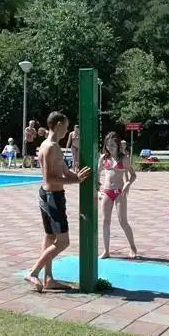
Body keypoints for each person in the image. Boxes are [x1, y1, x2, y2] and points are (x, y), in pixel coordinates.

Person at [24, 112, 91, 293]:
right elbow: (50, 179)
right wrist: (75, 181)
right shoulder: (50, 147)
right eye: (67, 126)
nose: (68, 130)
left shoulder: (54, 147)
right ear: (59, 124)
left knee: (50, 237)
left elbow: (63, 170)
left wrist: (78, 177)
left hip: (52, 196)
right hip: (52, 197)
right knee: (63, 242)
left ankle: (49, 278)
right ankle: (33, 272)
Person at [98, 132, 138, 259]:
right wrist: (98, 190)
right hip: (107, 191)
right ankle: (106, 250)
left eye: (112, 145)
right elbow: (97, 174)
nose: (110, 148)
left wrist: (127, 184)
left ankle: (133, 247)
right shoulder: (104, 158)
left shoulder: (124, 159)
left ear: (118, 145)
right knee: (105, 221)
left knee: (123, 221)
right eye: (108, 145)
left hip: (119, 192)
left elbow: (133, 175)